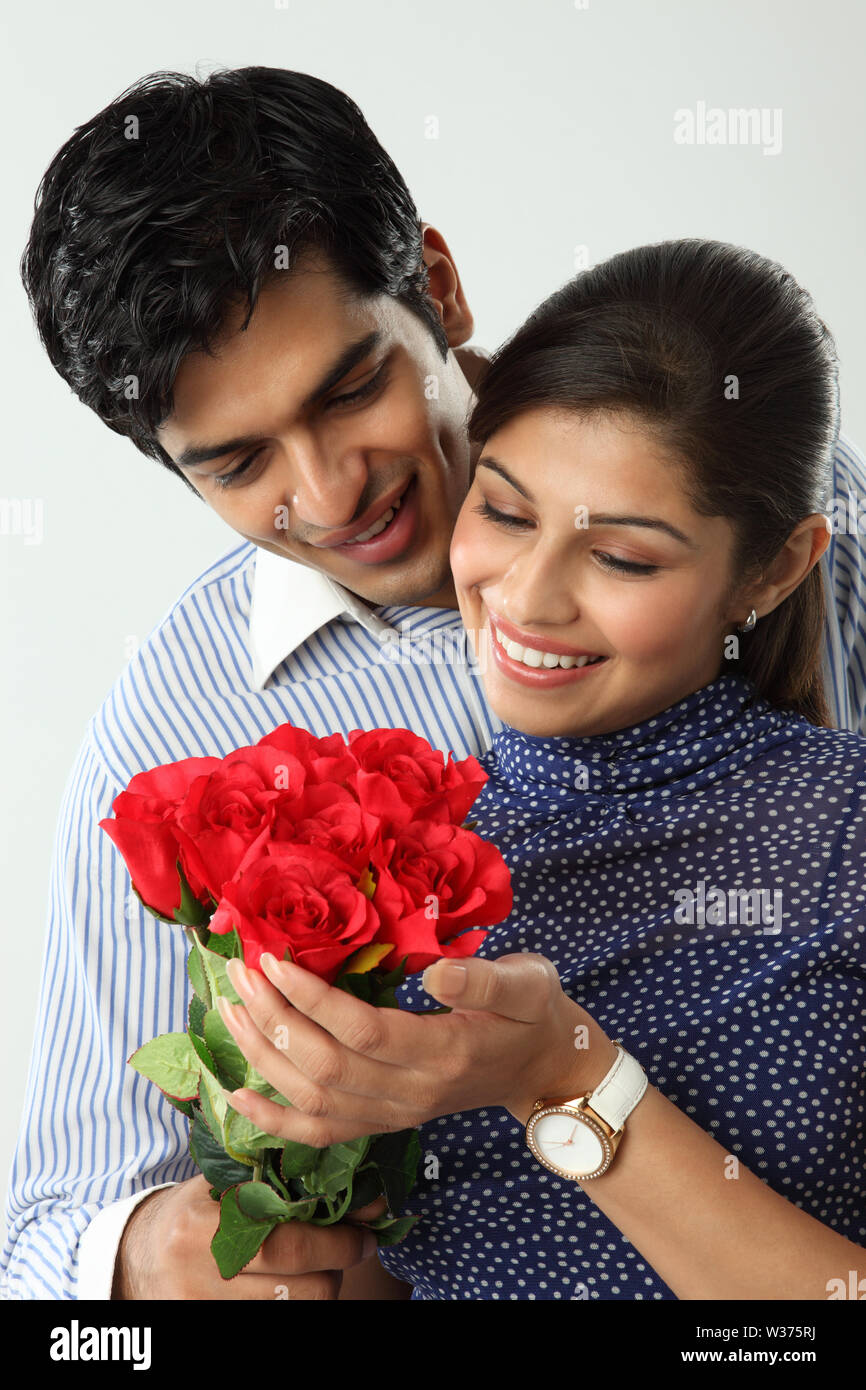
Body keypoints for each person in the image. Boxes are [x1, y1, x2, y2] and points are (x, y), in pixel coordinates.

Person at [1, 66, 863, 1302]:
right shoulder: (175, 739)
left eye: (351, 387)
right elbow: (46, 1236)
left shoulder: (758, 482)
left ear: (438, 288)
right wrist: (137, 1267)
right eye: (239, 462)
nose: (332, 490)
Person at [212, 238, 866, 1300]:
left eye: (621, 556)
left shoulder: (844, 831)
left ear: (774, 567)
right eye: (505, 511)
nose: (526, 598)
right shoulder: (387, 853)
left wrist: (565, 1073)